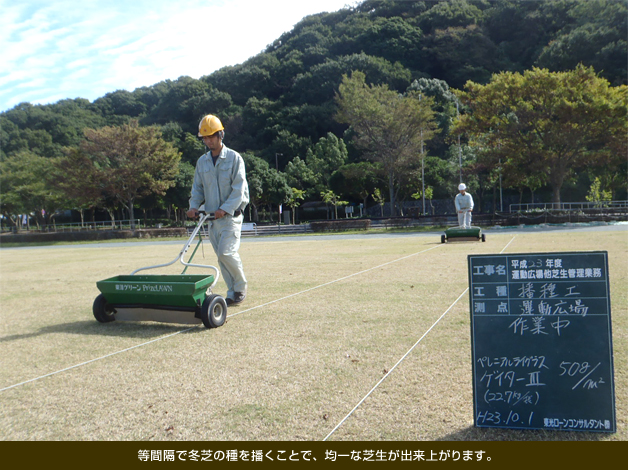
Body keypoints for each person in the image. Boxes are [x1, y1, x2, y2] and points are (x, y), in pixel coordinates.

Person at [187, 114, 249, 306]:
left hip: (231, 217)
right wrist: (193, 207)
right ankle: (232, 293)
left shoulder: (234, 158)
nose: (208, 140)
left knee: (226, 253)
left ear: (221, 134)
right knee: (221, 258)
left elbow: (239, 189)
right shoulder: (202, 162)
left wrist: (225, 208)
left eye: (211, 136)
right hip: (211, 219)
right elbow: (197, 188)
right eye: (204, 138)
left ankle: (240, 287)